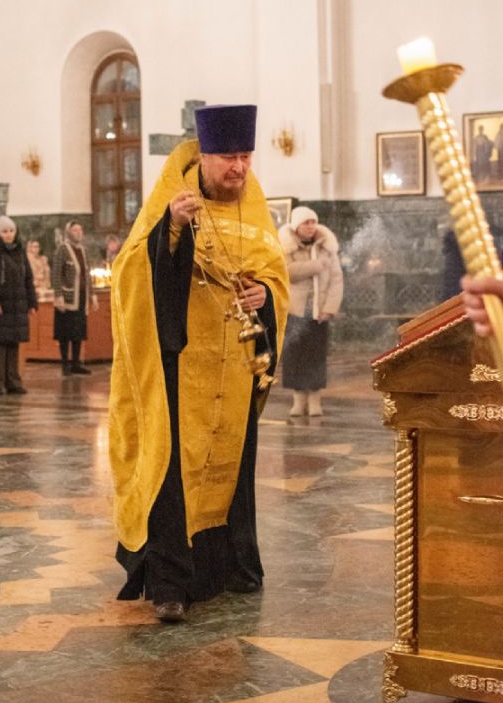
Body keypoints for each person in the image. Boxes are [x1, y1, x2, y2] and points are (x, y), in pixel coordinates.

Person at [108, 104, 289, 623]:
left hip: (235, 369)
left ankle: (229, 567)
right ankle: (171, 583)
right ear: (205, 157)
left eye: (246, 156)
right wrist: (172, 229)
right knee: (175, 472)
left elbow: (275, 276)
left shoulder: (254, 207)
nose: (240, 167)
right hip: (181, 367)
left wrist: (265, 295)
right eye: (229, 157)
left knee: (231, 468)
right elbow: (130, 274)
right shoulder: (174, 201)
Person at [278, 206, 343, 418]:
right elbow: (287, 272)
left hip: (318, 312)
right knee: (295, 356)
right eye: (306, 222)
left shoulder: (326, 248)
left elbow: (336, 280)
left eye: (313, 222)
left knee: (316, 356)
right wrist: (316, 265)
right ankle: (298, 400)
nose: (310, 226)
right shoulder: (286, 247)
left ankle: (315, 400)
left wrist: (329, 309)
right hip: (295, 311)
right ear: (296, 226)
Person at [0, 215, 38, 395]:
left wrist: (32, 302)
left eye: (11, 231)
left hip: (17, 307)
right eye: (5, 231)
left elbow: (28, 279)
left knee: (13, 345)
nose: (9, 234)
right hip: (0, 308)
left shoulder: (20, 252)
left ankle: (13, 382)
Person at [52, 221, 98, 376]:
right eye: (75, 230)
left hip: (81, 298)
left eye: (80, 230)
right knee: (65, 332)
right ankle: (65, 363)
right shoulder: (62, 250)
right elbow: (56, 274)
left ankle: (76, 363)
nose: (78, 233)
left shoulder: (84, 251)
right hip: (67, 298)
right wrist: (58, 295)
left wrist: (92, 295)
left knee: (78, 332)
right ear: (69, 232)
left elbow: (87, 275)